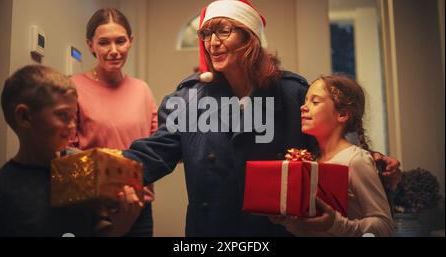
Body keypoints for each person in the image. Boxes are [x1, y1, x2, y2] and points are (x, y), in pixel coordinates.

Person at [123, 0, 400, 236]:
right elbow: (154, 153)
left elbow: (331, 143)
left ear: (249, 37)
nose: (213, 42)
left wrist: (374, 160)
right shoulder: (189, 98)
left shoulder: (291, 93)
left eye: (224, 31)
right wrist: (99, 167)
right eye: (206, 33)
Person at [0, 65, 143, 236]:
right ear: (25, 117)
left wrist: (120, 226)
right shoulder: (2, 190)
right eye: (63, 116)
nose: (73, 126)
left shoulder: (83, 173)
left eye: (74, 117)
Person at [270, 75, 394, 236]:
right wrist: (289, 221)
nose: (303, 107)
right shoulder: (313, 162)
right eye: (306, 100)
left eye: (315, 102)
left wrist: (336, 223)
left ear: (342, 114)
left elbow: (384, 227)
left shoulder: (356, 160)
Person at [70, 8, 157, 237]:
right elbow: (65, 153)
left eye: (120, 41)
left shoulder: (142, 90)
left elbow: (157, 147)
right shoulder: (72, 88)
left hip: (139, 208)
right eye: (104, 43)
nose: (114, 51)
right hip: (92, 210)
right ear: (91, 45)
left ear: (131, 41)